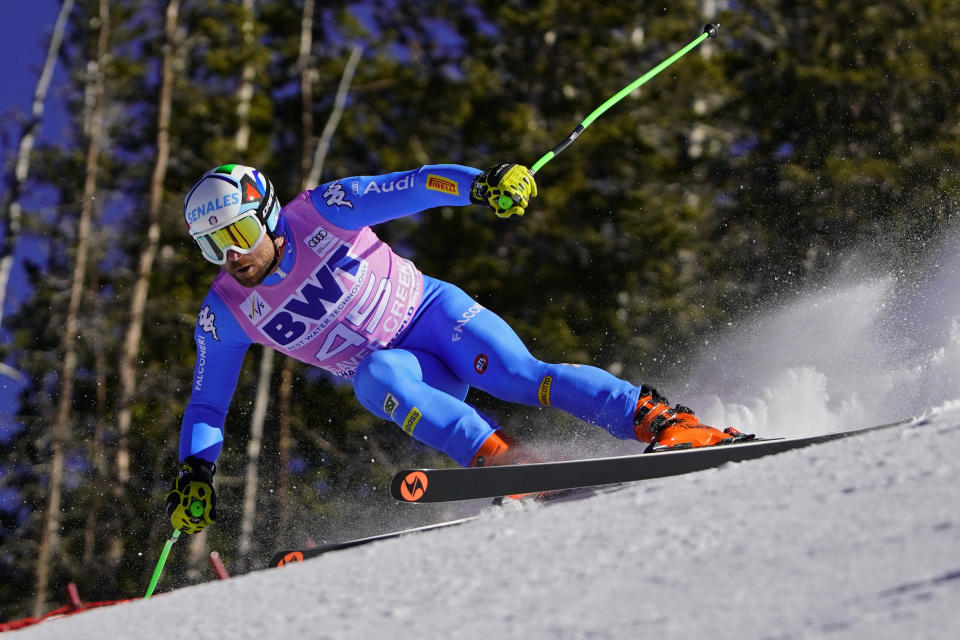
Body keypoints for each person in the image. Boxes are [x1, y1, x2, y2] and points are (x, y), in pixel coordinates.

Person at [166, 163, 749, 534]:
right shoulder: (225, 313)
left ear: (267, 216)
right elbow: (208, 405)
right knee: (373, 376)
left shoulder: (322, 210)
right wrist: (195, 472)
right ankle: (504, 463)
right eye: (212, 246)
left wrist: (480, 184)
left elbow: (416, 185)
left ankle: (667, 423)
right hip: (408, 371)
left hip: (435, 316)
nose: (232, 256)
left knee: (524, 377)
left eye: (239, 234)